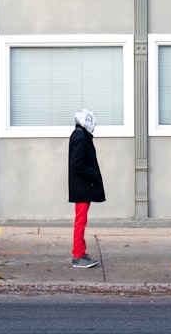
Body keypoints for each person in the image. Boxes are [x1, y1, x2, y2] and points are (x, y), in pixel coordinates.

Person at [68, 108, 105, 268]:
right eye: (92, 122)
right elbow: (77, 164)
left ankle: (81, 252)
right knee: (80, 221)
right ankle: (78, 256)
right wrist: (92, 174)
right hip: (82, 186)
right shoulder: (81, 137)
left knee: (81, 220)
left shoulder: (79, 135)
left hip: (82, 186)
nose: (94, 125)